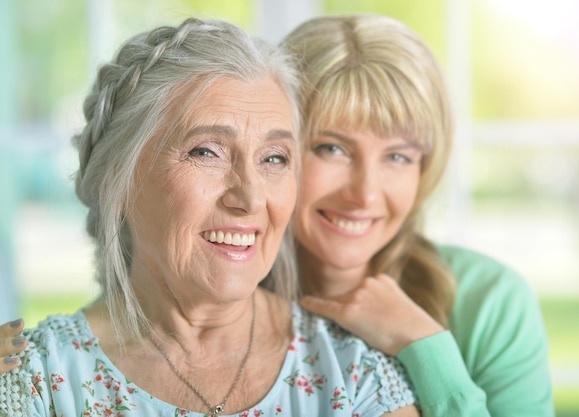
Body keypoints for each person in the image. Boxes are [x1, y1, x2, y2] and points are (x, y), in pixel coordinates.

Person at [0, 17, 419, 417]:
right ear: (118, 179)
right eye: (206, 152)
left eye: (274, 158)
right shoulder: (30, 383)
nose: (251, 198)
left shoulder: (356, 374)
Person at [280, 14, 554, 417]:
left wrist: (426, 347)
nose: (365, 194)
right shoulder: (217, 298)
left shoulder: (490, 301)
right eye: (331, 149)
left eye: (397, 156)